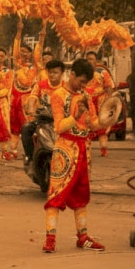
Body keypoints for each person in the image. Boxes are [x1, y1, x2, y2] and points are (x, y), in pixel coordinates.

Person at [42, 58, 106, 253]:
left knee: (81, 194)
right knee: (56, 193)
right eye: (82, 81)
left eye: (86, 82)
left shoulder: (86, 96)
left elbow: (93, 123)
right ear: (72, 75)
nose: (84, 85)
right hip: (65, 149)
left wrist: (107, 119)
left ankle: (83, 236)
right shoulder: (58, 95)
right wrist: (75, 117)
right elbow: (59, 127)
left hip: (84, 149)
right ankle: (50, 238)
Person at [8, 20, 44, 161]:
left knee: (30, 126)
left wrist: (41, 39)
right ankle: (13, 150)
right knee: (15, 127)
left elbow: (38, 53)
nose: (23, 54)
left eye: (26, 52)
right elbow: (15, 48)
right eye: (22, 52)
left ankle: (32, 151)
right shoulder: (17, 64)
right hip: (16, 99)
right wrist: (19, 31)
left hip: (29, 101)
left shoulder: (35, 66)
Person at [22, 59, 65, 161]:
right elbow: (32, 98)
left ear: (61, 73)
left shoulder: (66, 86)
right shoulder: (40, 85)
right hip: (44, 119)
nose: (52, 75)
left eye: (55, 72)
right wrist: (31, 109)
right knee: (26, 128)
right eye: (50, 72)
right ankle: (31, 158)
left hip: (61, 121)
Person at [84, 50, 115, 157]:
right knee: (86, 126)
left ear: (96, 61)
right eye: (87, 59)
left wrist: (109, 102)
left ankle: (104, 148)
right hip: (87, 102)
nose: (89, 61)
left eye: (91, 59)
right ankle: (86, 150)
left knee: (102, 126)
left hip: (101, 101)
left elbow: (109, 87)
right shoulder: (82, 73)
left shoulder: (103, 72)